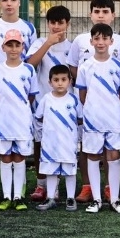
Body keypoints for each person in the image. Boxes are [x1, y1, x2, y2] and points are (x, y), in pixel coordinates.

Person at [77, 23, 120, 215]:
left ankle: (114, 199)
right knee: (93, 155)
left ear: (111, 41)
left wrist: (112, 108)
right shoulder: (85, 66)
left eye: (104, 38)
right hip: (92, 119)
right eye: (97, 39)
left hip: (113, 118)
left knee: (113, 156)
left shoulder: (118, 66)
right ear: (91, 41)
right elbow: (83, 94)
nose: (100, 42)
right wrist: (93, 110)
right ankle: (97, 199)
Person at [0, 29, 38, 210]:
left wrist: (19, 108)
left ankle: (18, 196)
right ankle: (6, 196)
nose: (14, 49)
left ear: (22, 47)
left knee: (19, 156)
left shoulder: (28, 69)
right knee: (5, 156)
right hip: (3, 121)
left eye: (17, 45)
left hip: (22, 121)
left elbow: (31, 95)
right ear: (3, 47)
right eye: (10, 45)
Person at [35, 65, 82, 211]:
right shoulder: (46, 99)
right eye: (56, 80)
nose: (60, 83)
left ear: (70, 81)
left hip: (68, 143)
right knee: (51, 170)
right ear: (50, 82)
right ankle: (50, 198)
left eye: (63, 79)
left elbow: (80, 119)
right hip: (50, 144)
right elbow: (38, 117)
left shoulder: (73, 100)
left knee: (70, 171)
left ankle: (70, 198)